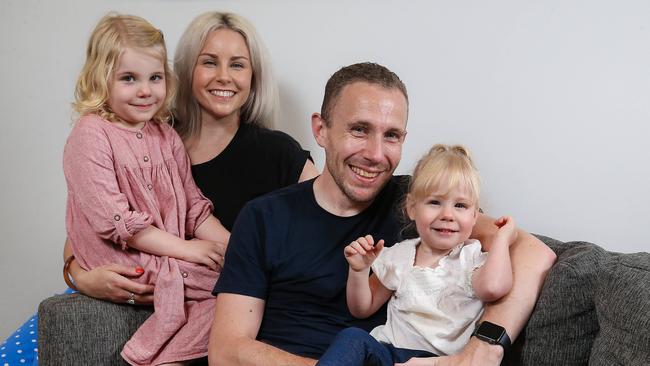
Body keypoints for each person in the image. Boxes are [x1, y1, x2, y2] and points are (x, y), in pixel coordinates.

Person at [209, 62, 557, 366]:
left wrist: (483, 350)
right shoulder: (263, 217)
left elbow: (533, 253)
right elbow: (227, 351)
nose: (376, 154)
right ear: (321, 130)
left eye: (391, 135)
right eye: (359, 129)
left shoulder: (422, 205)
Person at [63, 11, 318, 303]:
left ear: (253, 76)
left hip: (219, 285)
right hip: (140, 279)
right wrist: (81, 278)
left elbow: (331, 218)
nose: (224, 76)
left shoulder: (277, 151)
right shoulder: (141, 134)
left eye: (237, 65)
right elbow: (85, 228)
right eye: (209, 62)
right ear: (186, 72)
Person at [63, 13, 232, 365]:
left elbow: (193, 207)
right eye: (129, 78)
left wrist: (236, 248)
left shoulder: (165, 135)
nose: (145, 90)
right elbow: (117, 222)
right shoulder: (91, 134)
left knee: (242, 280)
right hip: (121, 257)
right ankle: (146, 358)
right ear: (100, 79)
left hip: (163, 251)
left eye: (155, 77)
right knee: (231, 291)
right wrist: (188, 250)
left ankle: (157, 359)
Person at [317, 144, 516, 365]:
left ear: (474, 215)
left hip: (439, 362)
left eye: (460, 205)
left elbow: (494, 287)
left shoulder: (470, 257)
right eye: (434, 202)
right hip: (388, 353)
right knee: (352, 337)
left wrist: (502, 239)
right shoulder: (399, 256)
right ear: (412, 208)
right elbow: (362, 309)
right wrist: (359, 271)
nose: (447, 214)